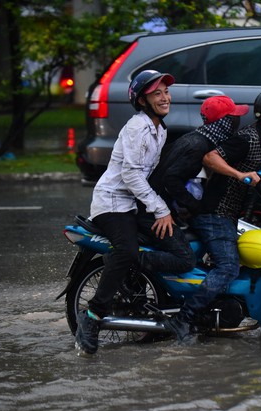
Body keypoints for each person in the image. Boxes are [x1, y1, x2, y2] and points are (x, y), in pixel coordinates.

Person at [164, 88, 261, 344]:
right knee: (228, 267)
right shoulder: (247, 138)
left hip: (228, 215)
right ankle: (183, 319)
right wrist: (239, 175)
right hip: (214, 214)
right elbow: (211, 157)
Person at [75, 69, 194, 355]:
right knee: (127, 250)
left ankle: (170, 311)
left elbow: (150, 176)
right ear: (142, 101)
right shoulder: (136, 128)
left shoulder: (160, 129)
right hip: (112, 204)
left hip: (134, 204)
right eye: (157, 94)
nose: (165, 97)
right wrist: (160, 208)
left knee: (177, 248)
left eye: (166, 92)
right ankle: (91, 318)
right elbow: (131, 175)